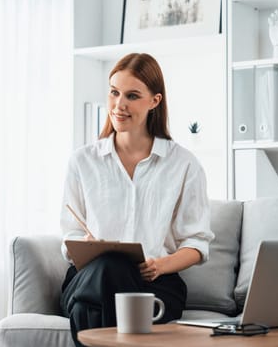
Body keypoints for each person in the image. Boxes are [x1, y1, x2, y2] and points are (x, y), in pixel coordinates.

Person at [59, 53, 214, 347]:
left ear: (154, 101)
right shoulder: (82, 162)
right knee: (107, 267)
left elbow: (197, 243)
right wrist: (85, 246)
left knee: (86, 305)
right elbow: (70, 234)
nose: (119, 105)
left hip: (155, 285)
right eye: (114, 92)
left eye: (132, 95)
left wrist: (162, 264)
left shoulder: (184, 164)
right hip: (88, 278)